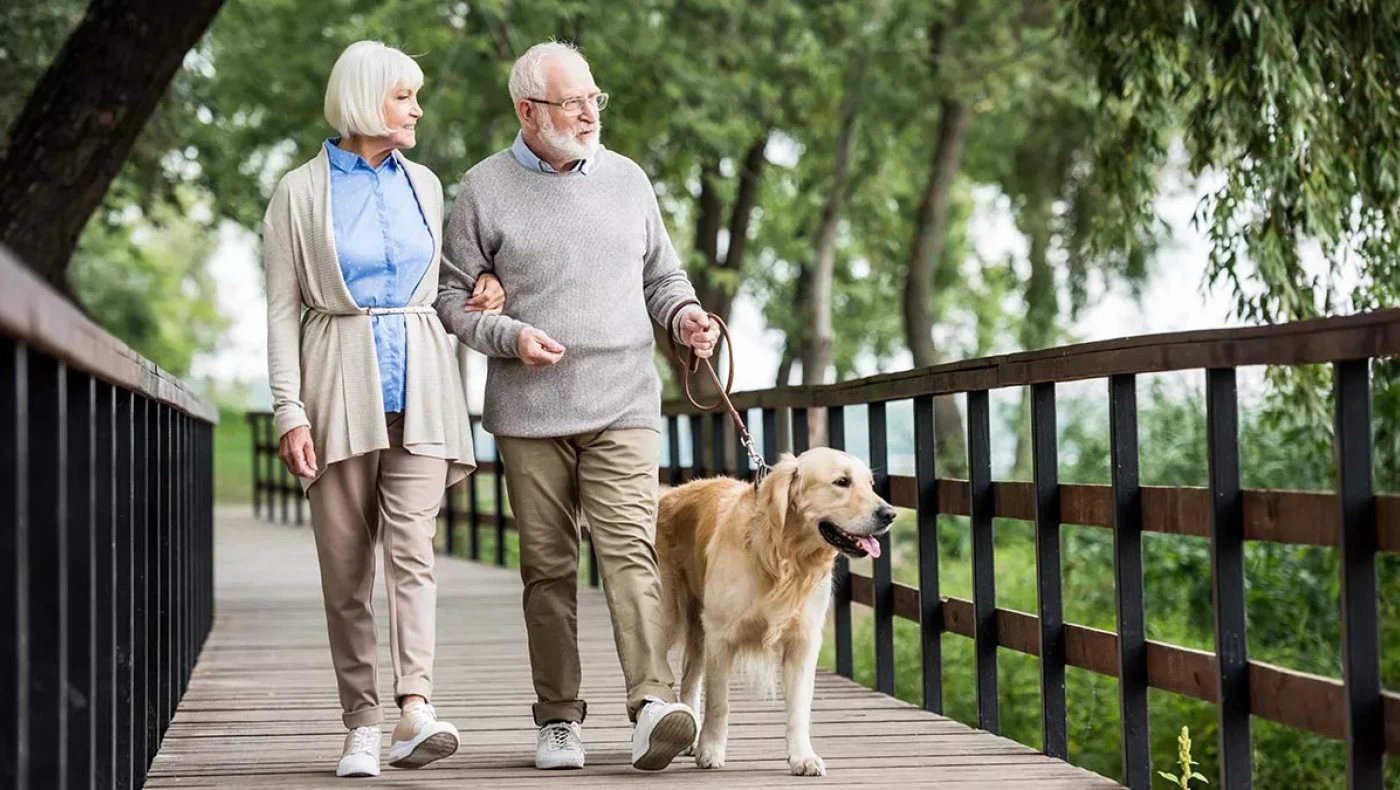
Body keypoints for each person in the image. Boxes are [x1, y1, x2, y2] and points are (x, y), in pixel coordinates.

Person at [435, 40, 721, 773]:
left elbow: (662, 276)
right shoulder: (482, 189)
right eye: (572, 103)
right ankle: (558, 718)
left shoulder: (629, 180)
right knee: (547, 566)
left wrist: (686, 316)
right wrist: (507, 333)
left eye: (595, 98)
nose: (590, 113)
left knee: (630, 550)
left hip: (623, 398)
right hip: (529, 411)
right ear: (528, 111)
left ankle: (652, 704)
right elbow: (450, 300)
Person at [263, 40, 505, 778]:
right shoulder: (298, 194)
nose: (417, 110)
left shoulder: (427, 184)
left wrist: (483, 284)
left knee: (414, 555)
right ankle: (360, 723)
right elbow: (279, 312)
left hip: (425, 384)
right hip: (336, 384)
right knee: (345, 568)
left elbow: (440, 283)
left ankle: (414, 707)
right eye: (405, 97)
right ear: (369, 100)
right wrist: (287, 410)